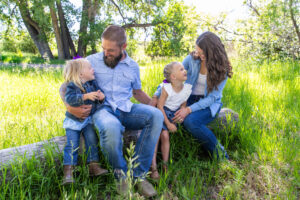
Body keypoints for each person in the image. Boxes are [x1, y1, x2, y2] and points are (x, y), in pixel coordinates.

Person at [60, 25, 163, 198]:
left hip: (126, 108)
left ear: (123, 47)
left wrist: (161, 109)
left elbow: (137, 93)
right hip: (102, 109)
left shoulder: (132, 66)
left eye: (111, 50)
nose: (106, 53)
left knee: (156, 116)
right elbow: (66, 85)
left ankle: (138, 175)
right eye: (103, 48)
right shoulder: (91, 61)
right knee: (110, 126)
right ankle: (121, 176)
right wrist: (70, 108)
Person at [152, 31, 232, 160]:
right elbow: (172, 77)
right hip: (187, 98)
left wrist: (188, 110)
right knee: (169, 116)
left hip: (209, 103)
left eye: (202, 52)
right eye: (197, 51)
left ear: (212, 51)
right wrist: (157, 94)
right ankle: (158, 159)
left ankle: (221, 156)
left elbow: (211, 98)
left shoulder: (222, 69)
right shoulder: (191, 59)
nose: (198, 55)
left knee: (191, 121)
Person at [62, 58, 108, 185]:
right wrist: (85, 96)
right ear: (81, 73)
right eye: (90, 68)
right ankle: (68, 172)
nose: (93, 70)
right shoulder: (72, 85)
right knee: (72, 145)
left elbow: (98, 98)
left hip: (87, 121)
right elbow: (70, 99)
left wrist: (101, 98)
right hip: (73, 122)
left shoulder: (93, 84)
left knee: (92, 139)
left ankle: (93, 166)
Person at [150, 62, 192, 180]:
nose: (185, 71)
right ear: (173, 77)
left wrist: (179, 117)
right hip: (162, 113)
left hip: (172, 114)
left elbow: (183, 105)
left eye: (184, 69)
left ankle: (165, 165)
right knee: (161, 134)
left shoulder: (187, 89)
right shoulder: (166, 88)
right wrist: (168, 124)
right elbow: (160, 106)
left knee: (165, 136)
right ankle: (153, 167)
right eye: (181, 69)